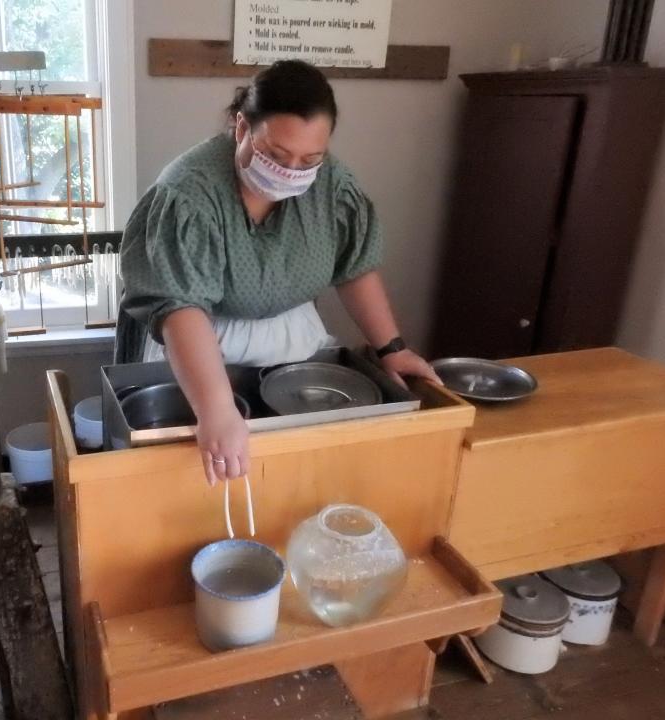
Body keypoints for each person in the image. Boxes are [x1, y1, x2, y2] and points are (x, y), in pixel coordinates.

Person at [115, 60, 440, 486]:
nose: (292, 170)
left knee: (291, 478)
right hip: (197, 343)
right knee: (199, 481)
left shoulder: (333, 187)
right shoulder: (188, 195)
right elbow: (180, 308)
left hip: (291, 335)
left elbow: (354, 266)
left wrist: (391, 349)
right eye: (275, 154)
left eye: (311, 158)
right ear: (241, 127)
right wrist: (216, 409)